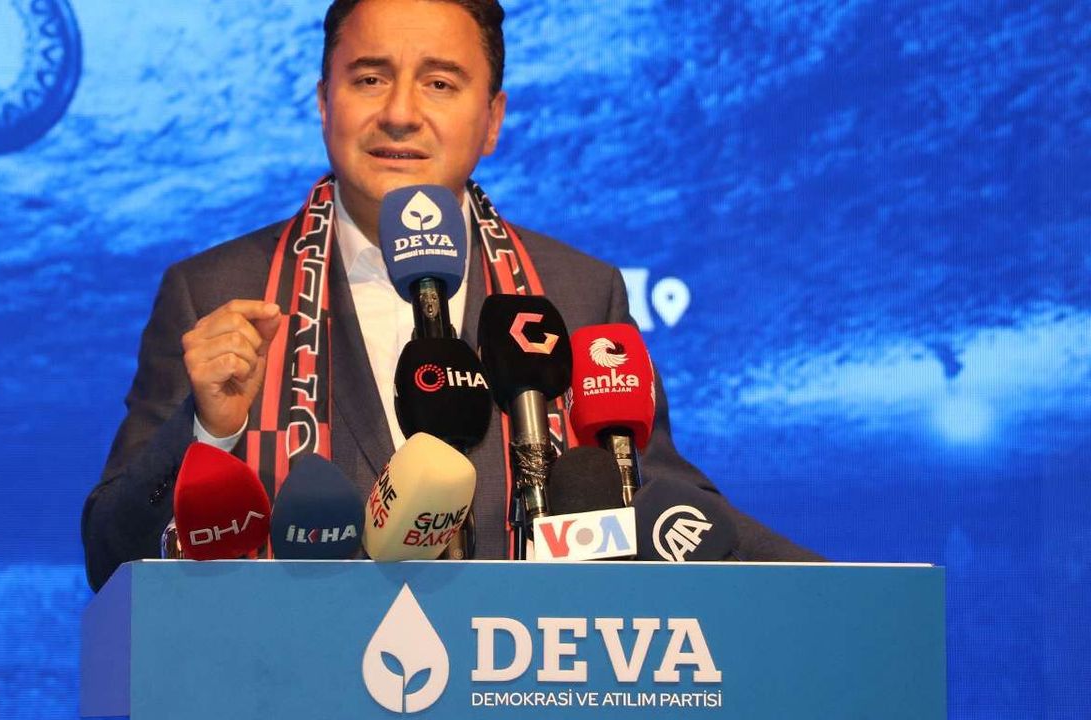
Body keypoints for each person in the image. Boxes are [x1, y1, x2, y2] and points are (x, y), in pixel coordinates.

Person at [81, 0, 820, 591]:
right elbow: (110, 556)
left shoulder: (577, 293)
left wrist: (843, 602)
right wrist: (207, 433)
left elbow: (665, 508)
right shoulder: (215, 292)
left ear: (492, 119)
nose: (401, 112)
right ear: (324, 101)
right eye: (369, 78)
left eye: (440, 83)